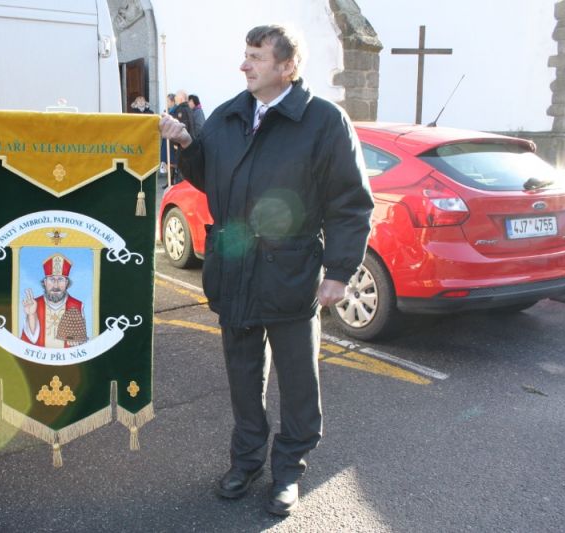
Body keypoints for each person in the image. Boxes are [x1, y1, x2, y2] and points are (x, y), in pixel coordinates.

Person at [159, 25, 373, 517]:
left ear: (287, 66)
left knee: (298, 382)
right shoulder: (230, 114)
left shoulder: (324, 121)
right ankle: (246, 461)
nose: (244, 65)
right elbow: (209, 177)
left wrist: (340, 271)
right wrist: (187, 143)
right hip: (234, 267)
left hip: (290, 273)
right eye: (246, 54)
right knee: (242, 376)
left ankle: (289, 470)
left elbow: (350, 202)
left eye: (256, 57)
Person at [21, 253, 88, 348]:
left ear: (66, 282)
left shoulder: (78, 305)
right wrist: (31, 314)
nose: (56, 285)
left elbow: (83, 341)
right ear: (45, 282)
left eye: (60, 279)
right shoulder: (33, 304)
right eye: (52, 279)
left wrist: (77, 339)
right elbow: (30, 340)